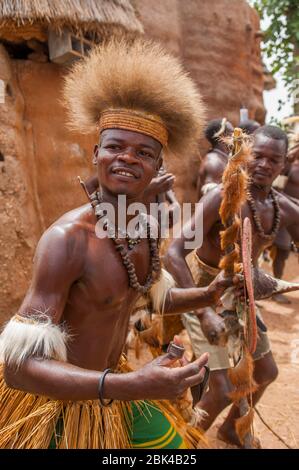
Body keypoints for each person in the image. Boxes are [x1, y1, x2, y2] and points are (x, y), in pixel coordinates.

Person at [0, 37, 238, 449]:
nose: (127, 158)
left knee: (174, 449)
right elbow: (18, 367)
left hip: (114, 388)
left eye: (143, 152)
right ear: (96, 154)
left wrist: (206, 294)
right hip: (54, 404)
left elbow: (139, 297)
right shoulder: (68, 241)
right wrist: (128, 386)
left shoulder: (144, 228)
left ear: (158, 166)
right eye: (115, 147)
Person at [164, 125, 299, 447]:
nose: (265, 164)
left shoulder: (285, 208)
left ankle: (231, 429)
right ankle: (182, 447)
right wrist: (203, 311)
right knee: (223, 387)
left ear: (284, 165)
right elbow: (174, 254)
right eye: (259, 156)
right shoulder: (221, 196)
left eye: (274, 159)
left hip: (241, 295)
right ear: (246, 154)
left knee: (266, 373)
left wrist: (264, 285)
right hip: (203, 291)